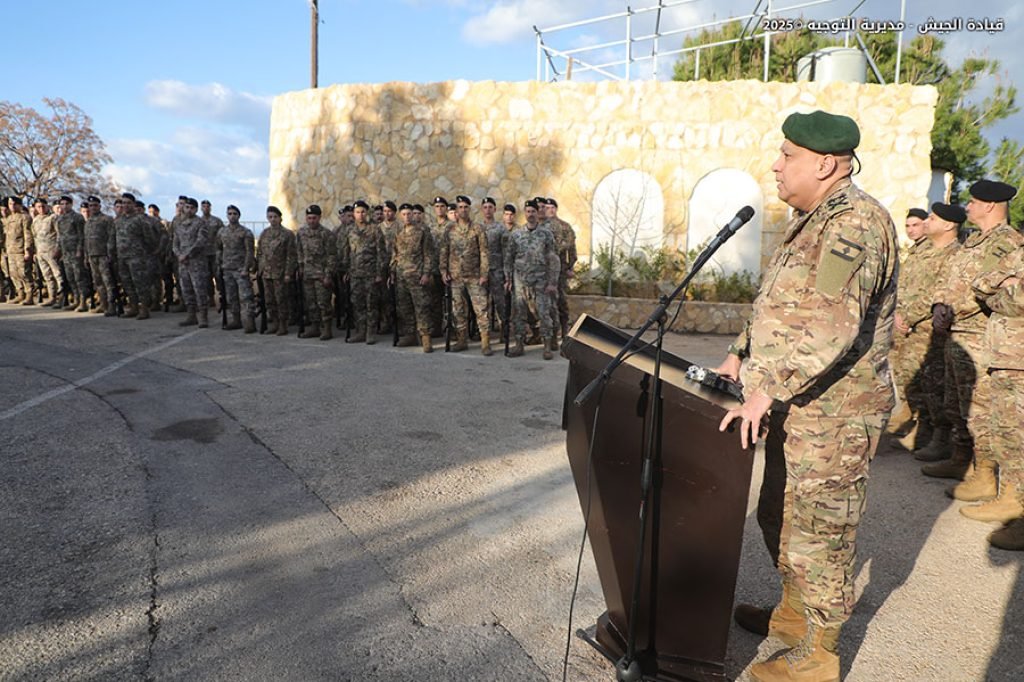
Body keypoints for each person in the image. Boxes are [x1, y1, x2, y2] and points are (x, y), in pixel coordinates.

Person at [717, 110, 898, 681]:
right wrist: (739, 353)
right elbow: (781, 306)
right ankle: (792, 622)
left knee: (820, 532)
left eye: (787, 155)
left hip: (837, 415)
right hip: (798, 406)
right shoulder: (812, 219)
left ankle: (818, 657)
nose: (776, 164)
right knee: (782, 516)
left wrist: (765, 389)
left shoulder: (855, 224)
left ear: (825, 163)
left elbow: (830, 325)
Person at [925, 180, 1024, 508]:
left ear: (991, 206)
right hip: (957, 331)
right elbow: (952, 278)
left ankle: (986, 474)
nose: (967, 207)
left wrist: (955, 310)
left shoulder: (1007, 242)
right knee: (958, 403)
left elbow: (988, 289)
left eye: (973, 202)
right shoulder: (973, 241)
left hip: (980, 334)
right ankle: (961, 458)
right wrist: (940, 305)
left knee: (982, 410)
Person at [970, 187, 1024, 547]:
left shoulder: (1009, 242)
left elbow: (1015, 300)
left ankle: (1018, 507)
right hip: (1006, 353)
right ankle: (1011, 498)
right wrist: (997, 285)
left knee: (1017, 433)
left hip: (1017, 353)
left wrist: (998, 288)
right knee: (1006, 430)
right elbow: (984, 284)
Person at [903, 204, 964, 463]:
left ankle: (941, 437)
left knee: (938, 385)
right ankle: (924, 428)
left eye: (932, 218)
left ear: (949, 225)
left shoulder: (954, 255)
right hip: (913, 328)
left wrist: (909, 316)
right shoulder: (925, 250)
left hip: (931, 330)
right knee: (922, 382)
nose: (927, 222)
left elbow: (935, 293)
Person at [504, 199, 559, 359]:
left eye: (533, 211)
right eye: (528, 211)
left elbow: (553, 259)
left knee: (544, 312)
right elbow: (509, 258)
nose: (530, 214)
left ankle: (547, 346)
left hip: (541, 281)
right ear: (525, 213)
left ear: (537, 213)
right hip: (520, 281)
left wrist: (552, 282)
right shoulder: (516, 235)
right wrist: (507, 279)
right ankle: (519, 344)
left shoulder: (546, 234)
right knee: (519, 313)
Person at [441, 195, 491, 354]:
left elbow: (484, 252)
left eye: (465, 207)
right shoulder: (449, 229)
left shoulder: (477, 228)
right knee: (458, 310)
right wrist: (443, 271)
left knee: (481, 309)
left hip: (474, 276)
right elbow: (444, 251)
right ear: (456, 210)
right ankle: (462, 340)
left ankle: (485, 342)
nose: (463, 210)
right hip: (455, 276)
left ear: (469, 209)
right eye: (460, 207)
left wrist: (484, 273)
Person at [390, 203, 436, 352]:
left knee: (421, 307)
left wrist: (426, 273)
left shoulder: (422, 231)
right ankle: (410, 335)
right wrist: (392, 272)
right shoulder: (398, 232)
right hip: (401, 276)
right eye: (403, 214)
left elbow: (428, 254)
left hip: (417, 276)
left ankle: (425, 337)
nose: (407, 217)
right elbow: (395, 254)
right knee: (404, 307)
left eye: (409, 213)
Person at [339, 200, 384, 343]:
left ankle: (370, 333)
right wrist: (345, 270)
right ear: (353, 214)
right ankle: (360, 331)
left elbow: (381, 253)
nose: (360, 214)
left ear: (367, 213)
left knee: (371, 303)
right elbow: (345, 252)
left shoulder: (375, 229)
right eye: (357, 212)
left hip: (370, 273)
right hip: (355, 273)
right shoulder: (349, 230)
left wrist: (379, 273)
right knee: (357, 303)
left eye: (363, 212)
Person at [296, 204, 337, 340]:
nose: (311, 221)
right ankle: (314, 327)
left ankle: (326, 328)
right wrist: (301, 267)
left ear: (319, 218)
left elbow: (331, 256)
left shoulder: (326, 234)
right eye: (309, 218)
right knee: (311, 302)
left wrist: (328, 274)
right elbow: (300, 251)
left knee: (323, 303)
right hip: (308, 274)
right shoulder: (301, 233)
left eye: (314, 218)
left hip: (321, 275)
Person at [257, 206, 298, 336]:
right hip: (266, 273)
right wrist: (260, 268)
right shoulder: (264, 233)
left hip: (280, 273)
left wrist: (288, 273)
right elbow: (260, 253)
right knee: (269, 300)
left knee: (281, 299)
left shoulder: (287, 234)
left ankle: (283, 324)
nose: (273, 219)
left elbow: (291, 255)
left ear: (280, 218)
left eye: (275, 217)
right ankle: (274, 322)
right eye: (270, 217)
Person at [216, 205, 257, 333]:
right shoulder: (222, 232)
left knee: (246, 297)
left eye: (234, 213)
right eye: (229, 213)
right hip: (227, 269)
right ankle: (236, 320)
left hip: (240, 269)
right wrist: (220, 263)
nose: (232, 216)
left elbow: (250, 252)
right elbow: (218, 248)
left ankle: (249, 322)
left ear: (239, 216)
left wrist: (246, 268)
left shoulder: (245, 232)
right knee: (231, 297)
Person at [172, 198, 211, 327]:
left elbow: (200, 242)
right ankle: (191, 315)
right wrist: (178, 254)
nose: (189, 210)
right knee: (186, 289)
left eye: (191, 208)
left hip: (196, 262)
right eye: (187, 207)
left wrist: (187, 254)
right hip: (183, 263)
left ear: (195, 209)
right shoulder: (179, 224)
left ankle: (203, 317)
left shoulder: (200, 223)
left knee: (199, 289)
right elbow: (175, 243)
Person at [55, 195, 90, 312]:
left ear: (71, 204)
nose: (64, 206)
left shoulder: (77, 217)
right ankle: (76, 300)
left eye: (67, 204)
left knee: (79, 277)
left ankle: (83, 301)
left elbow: (81, 235)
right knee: (70, 278)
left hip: (75, 252)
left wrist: (80, 250)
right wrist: (58, 250)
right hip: (66, 253)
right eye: (62, 204)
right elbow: (59, 237)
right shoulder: (59, 219)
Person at [84, 196, 117, 316]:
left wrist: (110, 253)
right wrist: (86, 255)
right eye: (90, 205)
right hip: (92, 255)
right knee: (97, 282)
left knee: (108, 281)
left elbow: (111, 237)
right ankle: (103, 304)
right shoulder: (88, 221)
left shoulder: (106, 219)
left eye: (95, 205)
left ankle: (112, 305)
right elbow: (86, 240)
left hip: (103, 254)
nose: (92, 208)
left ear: (100, 206)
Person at [3, 196, 34, 305]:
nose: (11, 206)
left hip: (21, 250)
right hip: (11, 250)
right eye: (10, 204)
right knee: (13, 274)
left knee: (24, 273)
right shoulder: (9, 218)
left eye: (14, 204)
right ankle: (20, 293)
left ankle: (29, 295)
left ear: (19, 205)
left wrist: (27, 250)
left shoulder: (25, 217)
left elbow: (28, 235)